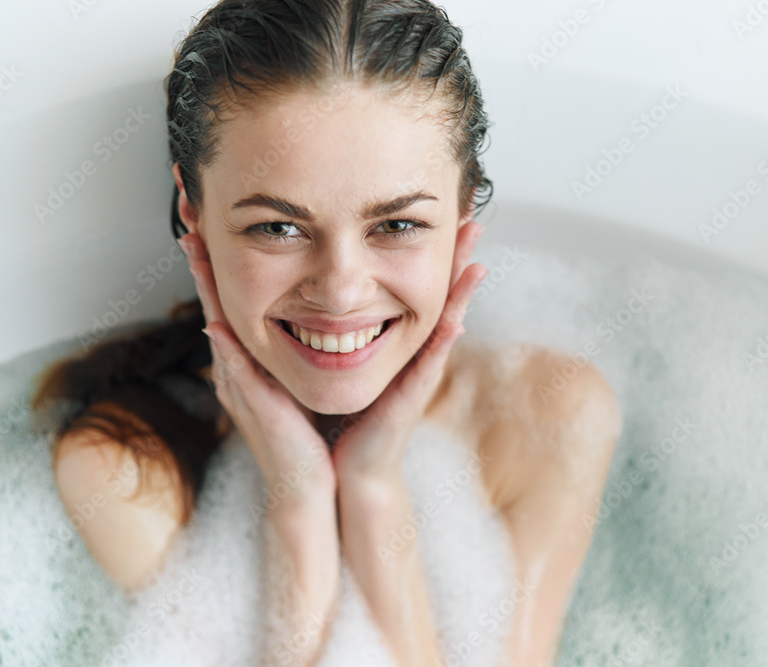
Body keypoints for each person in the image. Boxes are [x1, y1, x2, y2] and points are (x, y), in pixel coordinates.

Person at [32, 1, 623, 664]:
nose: (341, 289)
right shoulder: (128, 467)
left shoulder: (551, 413)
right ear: (190, 211)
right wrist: (297, 500)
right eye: (278, 227)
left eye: (396, 225)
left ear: (462, 213)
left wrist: (377, 489)